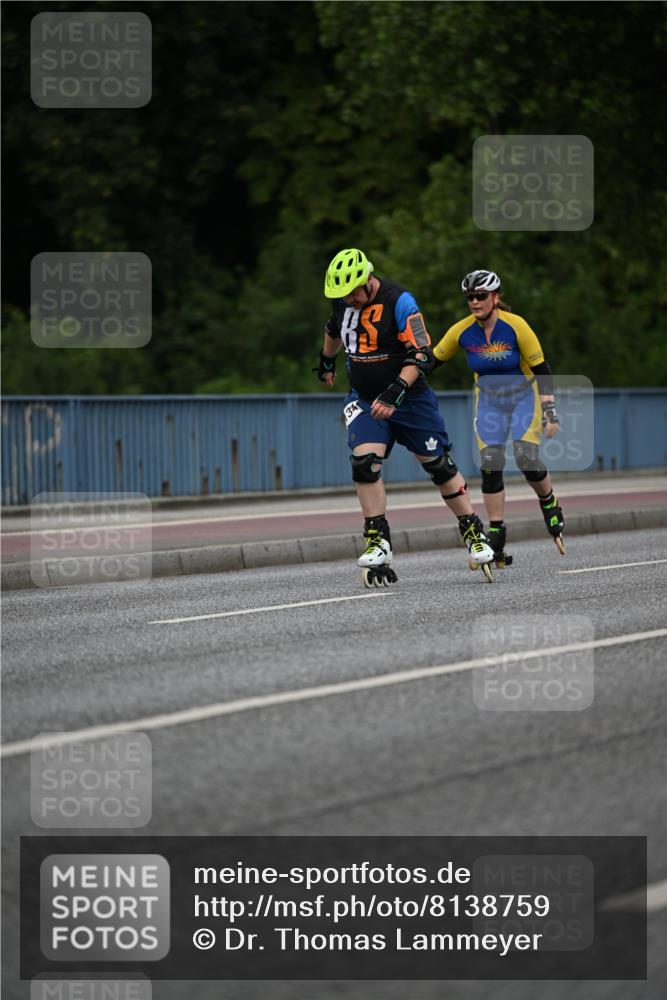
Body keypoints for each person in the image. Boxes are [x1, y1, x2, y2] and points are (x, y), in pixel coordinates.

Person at [314, 248, 495, 585]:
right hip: (367, 400)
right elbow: (333, 329)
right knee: (364, 463)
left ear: (368, 280)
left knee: (437, 465)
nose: (349, 299)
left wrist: (396, 390)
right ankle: (377, 539)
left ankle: (472, 530)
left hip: (408, 399)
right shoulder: (343, 303)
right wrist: (326, 361)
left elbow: (422, 354)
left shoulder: (400, 301)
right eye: (342, 295)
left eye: (353, 291)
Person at [432, 269, 565, 565]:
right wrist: (400, 383)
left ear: (495, 297)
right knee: (491, 465)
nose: (475, 302)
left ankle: (548, 500)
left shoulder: (516, 326)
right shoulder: (462, 331)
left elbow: (542, 370)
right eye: (470, 297)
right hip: (489, 402)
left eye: (481, 296)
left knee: (525, 457)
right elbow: (431, 361)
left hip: (523, 398)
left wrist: (551, 410)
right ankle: (496, 535)